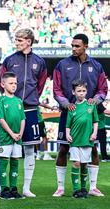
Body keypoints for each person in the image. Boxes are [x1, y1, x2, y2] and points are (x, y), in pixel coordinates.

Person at [0, 28, 47, 198]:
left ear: (29, 41)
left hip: (30, 109)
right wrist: (11, 100)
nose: (17, 43)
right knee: (2, 150)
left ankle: (26, 188)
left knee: (29, 149)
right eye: (16, 40)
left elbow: (40, 85)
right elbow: (1, 82)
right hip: (10, 109)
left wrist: (31, 98)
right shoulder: (9, 60)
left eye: (20, 40)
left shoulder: (40, 62)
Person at [53, 33, 108, 197]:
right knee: (63, 148)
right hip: (69, 114)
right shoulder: (62, 65)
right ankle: (61, 187)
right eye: (72, 45)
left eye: (77, 46)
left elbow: (103, 90)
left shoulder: (97, 66)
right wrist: (66, 104)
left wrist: (95, 101)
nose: (74, 48)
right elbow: (56, 89)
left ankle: (92, 187)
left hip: (91, 115)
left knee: (93, 150)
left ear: (86, 46)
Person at [66, 80, 98, 198]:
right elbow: (68, 124)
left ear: (86, 92)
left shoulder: (91, 104)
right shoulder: (72, 108)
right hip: (75, 140)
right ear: (73, 92)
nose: (81, 93)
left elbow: (95, 121)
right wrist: (67, 134)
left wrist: (94, 133)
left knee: (84, 164)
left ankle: (84, 189)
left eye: (83, 91)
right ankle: (75, 190)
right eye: (79, 91)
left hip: (87, 139)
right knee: (77, 163)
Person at [0, 72, 25, 199]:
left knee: (15, 162)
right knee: (4, 161)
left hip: (17, 138)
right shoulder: (1, 100)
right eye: (11, 83)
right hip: (5, 137)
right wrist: (12, 133)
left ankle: (13, 188)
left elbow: (23, 119)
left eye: (15, 83)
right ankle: (4, 189)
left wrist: (20, 134)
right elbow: (1, 119)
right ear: (3, 84)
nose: (14, 86)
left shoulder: (19, 101)